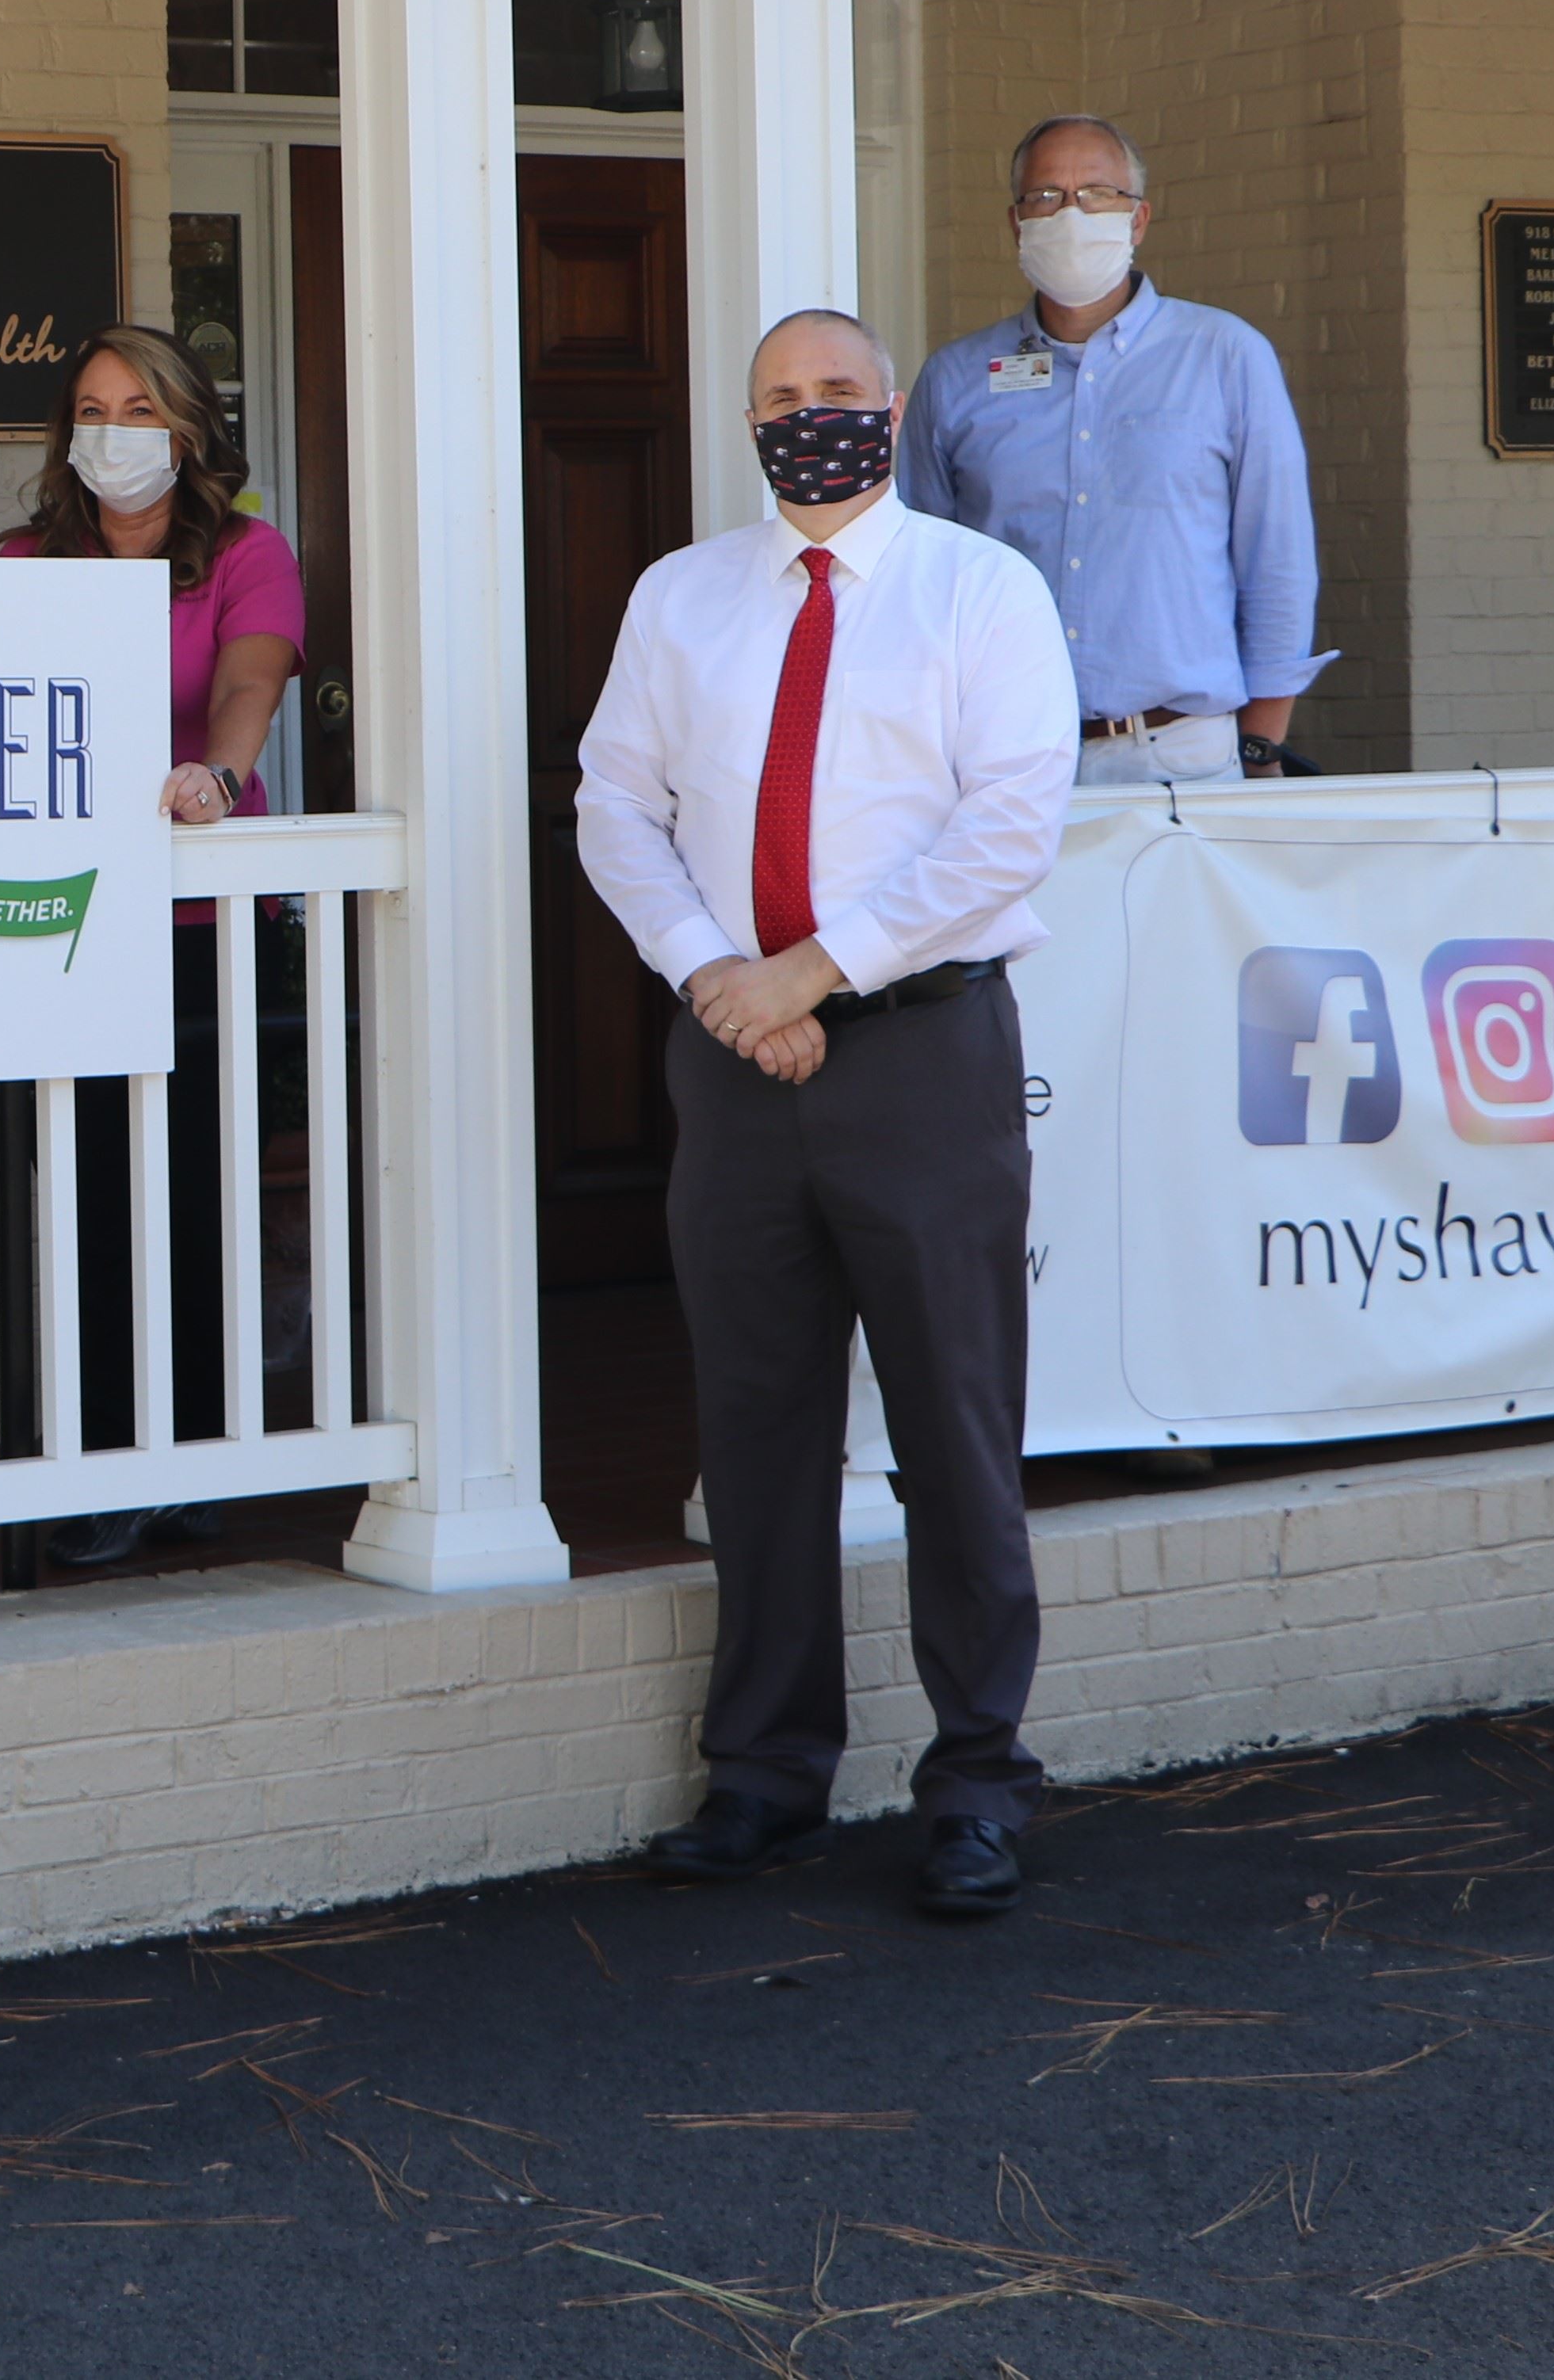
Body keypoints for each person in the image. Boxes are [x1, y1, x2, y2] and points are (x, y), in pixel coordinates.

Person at [573, 309, 1075, 1920]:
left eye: (840, 394)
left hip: (917, 1055)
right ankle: (767, 1772)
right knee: (757, 1427)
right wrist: (719, 976)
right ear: (745, 421)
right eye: (781, 400)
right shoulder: (682, 598)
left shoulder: (977, 592)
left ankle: (978, 1780)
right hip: (734, 1065)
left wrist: (809, 971)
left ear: (892, 407)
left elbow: (1006, 828)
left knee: (953, 1422)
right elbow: (611, 804)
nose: (811, 420)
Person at [0, 324, 304, 1568]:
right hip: (55, 928)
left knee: (188, 1196)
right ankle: (97, 1457)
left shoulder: (244, 552)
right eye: (89, 408)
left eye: (136, 409)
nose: (110, 433)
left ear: (185, 430)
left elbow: (244, 692)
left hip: (194, 929)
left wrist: (214, 778)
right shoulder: (24, 559)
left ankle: (189, 1459)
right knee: (78, 1198)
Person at [899, 113, 1332, 788]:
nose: (1070, 214)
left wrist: (1259, 749)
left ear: (1137, 219)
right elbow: (920, 578)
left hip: (1178, 758)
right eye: (1046, 196)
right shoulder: (955, 379)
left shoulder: (1224, 356)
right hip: (1003, 757)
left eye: (1097, 194)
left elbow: (1275, 562)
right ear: (1016, 222)